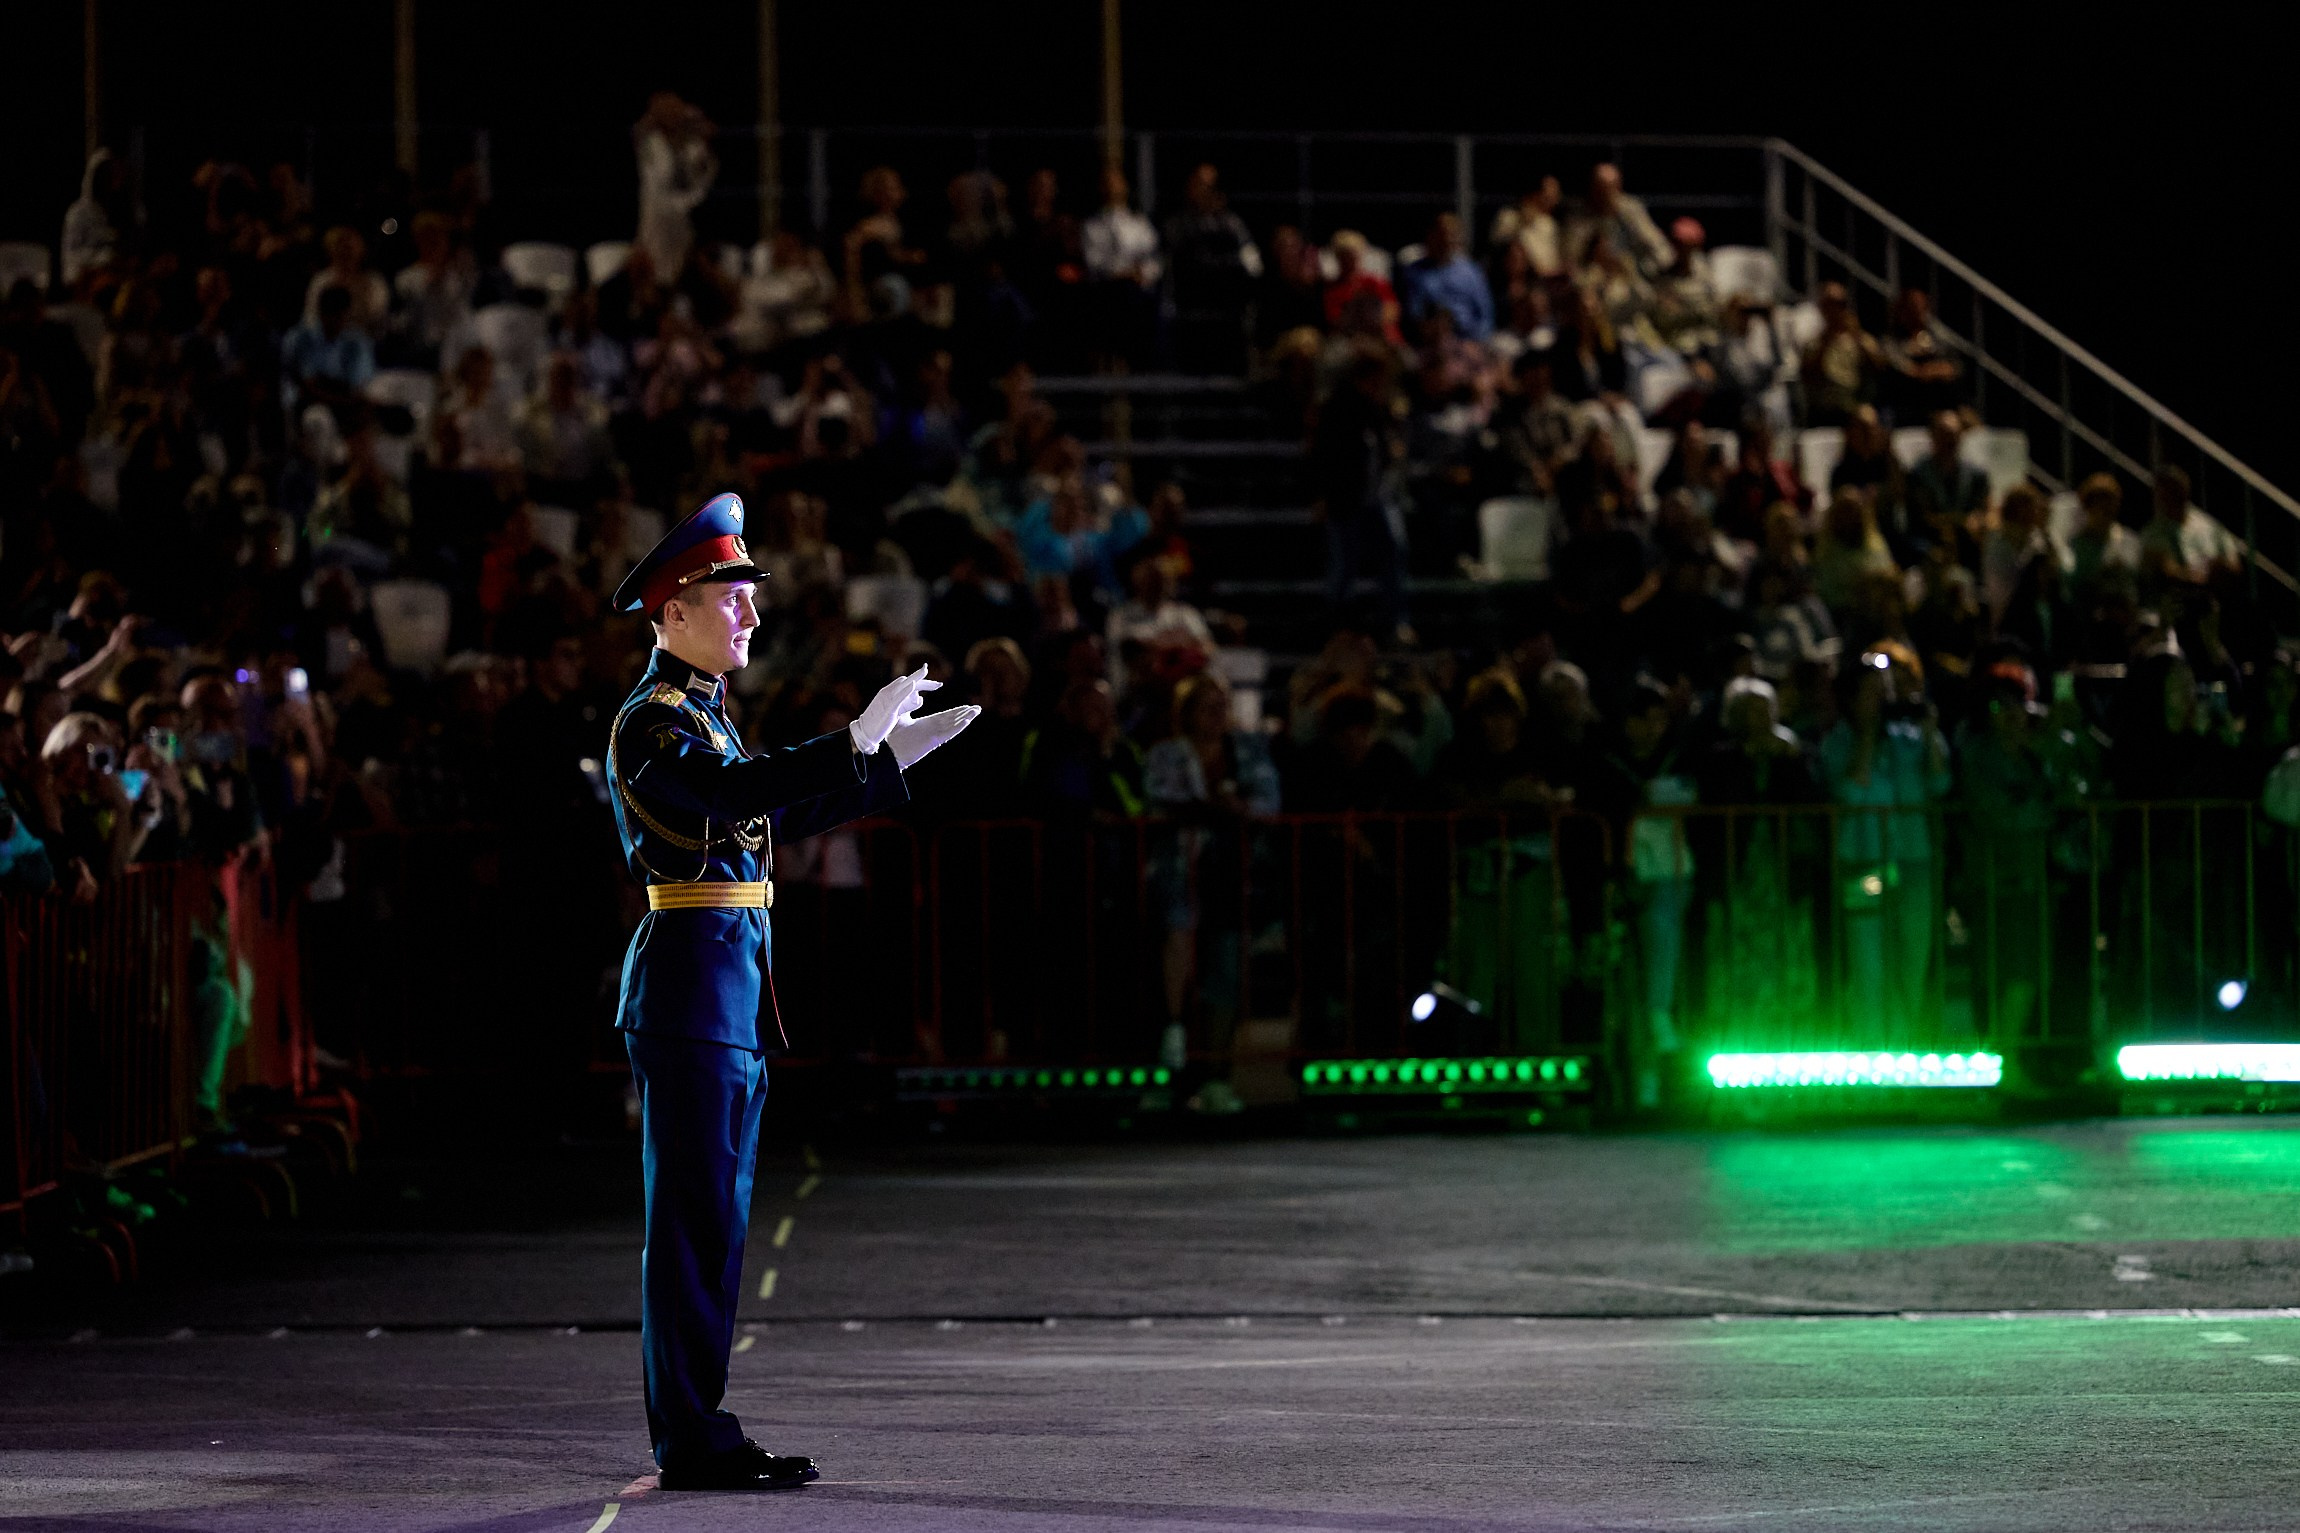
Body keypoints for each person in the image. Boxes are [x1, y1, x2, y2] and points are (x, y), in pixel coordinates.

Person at [605, 492, 976, 1491]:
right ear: (672, 609)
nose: (751, 616)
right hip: (690, 994)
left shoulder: (704, 718)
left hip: (724, 994)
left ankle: (702, 1426)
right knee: (690, 1228)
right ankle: (689, 1436)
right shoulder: (651, 722)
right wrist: (848, 745)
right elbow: (731, 798)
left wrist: (882, 764)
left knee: (715, 1225)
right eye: (732, 596)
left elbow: (767, 809)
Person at [1310, 348, 1411, 644]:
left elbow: (1388, 449)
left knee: (1394, 551)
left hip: (1379, 495)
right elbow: (1323, 457)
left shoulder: (1380, 406)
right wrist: (1321, 496)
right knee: (1344, 565)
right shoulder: (1337, 408)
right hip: (1346, 497)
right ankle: (1338, 625)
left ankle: (1394, 621)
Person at [634, 92, 718, 279]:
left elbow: (703, 175)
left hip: (688, 214)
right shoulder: (652, 142)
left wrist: (700, 132)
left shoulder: (693, 145)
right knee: (656, 264)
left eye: (675, 111)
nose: (672, 115)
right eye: (667, 111)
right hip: (658, 215)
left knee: (685, 265)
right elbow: (640, 132)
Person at [1399, 213, 1494, 344]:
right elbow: (1414, 314)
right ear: (1430, 236)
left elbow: (1486, 316)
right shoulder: (1415, 273)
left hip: (1469, 340)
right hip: (1430, 342)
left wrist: (1477, 341)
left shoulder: (1471, 272)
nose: (1447, 239)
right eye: (1442, 233)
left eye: (1452, 234)